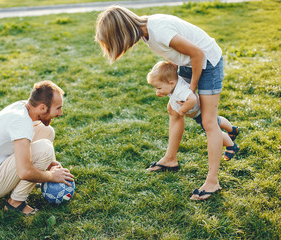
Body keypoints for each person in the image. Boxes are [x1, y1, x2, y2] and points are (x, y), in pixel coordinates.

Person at [95, 5, 229, 200]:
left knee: (208, 122)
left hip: (208, 61)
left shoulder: (159, 31)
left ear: (121, 33)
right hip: (188, 62)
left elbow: (198, 53)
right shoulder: (146, 33)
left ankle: (212, 181)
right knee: (174, 109)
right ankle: (170, 159)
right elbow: (175, 54)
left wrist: (190, 88)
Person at [0, 80, 74, 215]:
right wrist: (50, 176)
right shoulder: (21, 122)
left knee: (47, 131)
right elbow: (24, 172)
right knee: (45, 149)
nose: (60, 113)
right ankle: (15, 202)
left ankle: (36, 176)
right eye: (58, 108)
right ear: (42, 108)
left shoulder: (25, 107)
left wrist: (51, 164)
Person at [146, 61, 240, 167]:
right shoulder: (172, 84)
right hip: (198, 112)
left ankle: (231, 146)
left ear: (171, 83)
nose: (157, 91)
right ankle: (232, 129)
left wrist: (182, 111)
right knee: (217, 120)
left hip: (199, 113)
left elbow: (192, 99)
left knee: (212, 129)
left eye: (159, 88)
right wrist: (162, 93)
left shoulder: (180, 90)